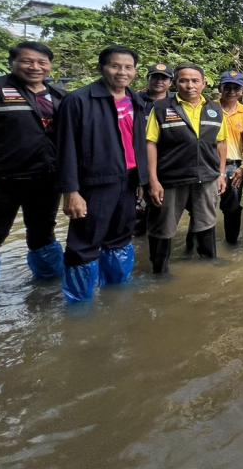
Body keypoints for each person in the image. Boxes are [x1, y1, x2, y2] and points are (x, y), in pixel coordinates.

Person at [57, 46, 147, 302]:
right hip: (94, 183)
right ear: (102, 68)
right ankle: (79, 307)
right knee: (84, 243)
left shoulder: (135, 100)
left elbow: (137, 142)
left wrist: (142, 181)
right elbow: (66, 150)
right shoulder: (79, 100)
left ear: (135, 71)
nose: (122, 72)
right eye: (115, 66)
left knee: (120, 238)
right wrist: (71, 191)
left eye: (128, 67)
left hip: (128, 181)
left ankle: (116, 294)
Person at [0, 41, 66, 295]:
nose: (35, 67)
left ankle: (49, 289)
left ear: (49, 66)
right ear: (12, 62)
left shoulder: (57, 96)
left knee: (43, 234)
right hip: (1, 181)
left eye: (42, 62)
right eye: (27, 61)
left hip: (45, 179)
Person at [145, 64, 227, 273]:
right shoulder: (162, 108)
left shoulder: (215, 110)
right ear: (175, 83)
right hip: (171, 178)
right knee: (163, 227)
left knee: (206, 222)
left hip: (207, 177)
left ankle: (208, 265)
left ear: (204, 83)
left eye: (195, 80)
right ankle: (159, 272)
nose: (189, 85)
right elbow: (150, 143)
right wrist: (153, 180)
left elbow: (221, 142)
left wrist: (222, 173)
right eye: (183, 80)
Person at [134, 62, 173, 237]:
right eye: (155, 77)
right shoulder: (135, 101)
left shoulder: (175, 103)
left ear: (171, 82)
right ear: (148, 78)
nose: (159, 81)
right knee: (137, 206)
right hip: (136, 160)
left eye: (164, 78)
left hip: (165, 162)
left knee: (159, 205)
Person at [216, 70, 243, 244]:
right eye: (227, 87)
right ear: (220, 88)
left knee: (233, 207)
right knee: (201, 206)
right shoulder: (209, 108)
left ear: (242, 91)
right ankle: (196, 247)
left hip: (234, 165)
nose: (231, 91)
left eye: (236, 88)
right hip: (209, 164)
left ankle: (231, 243)